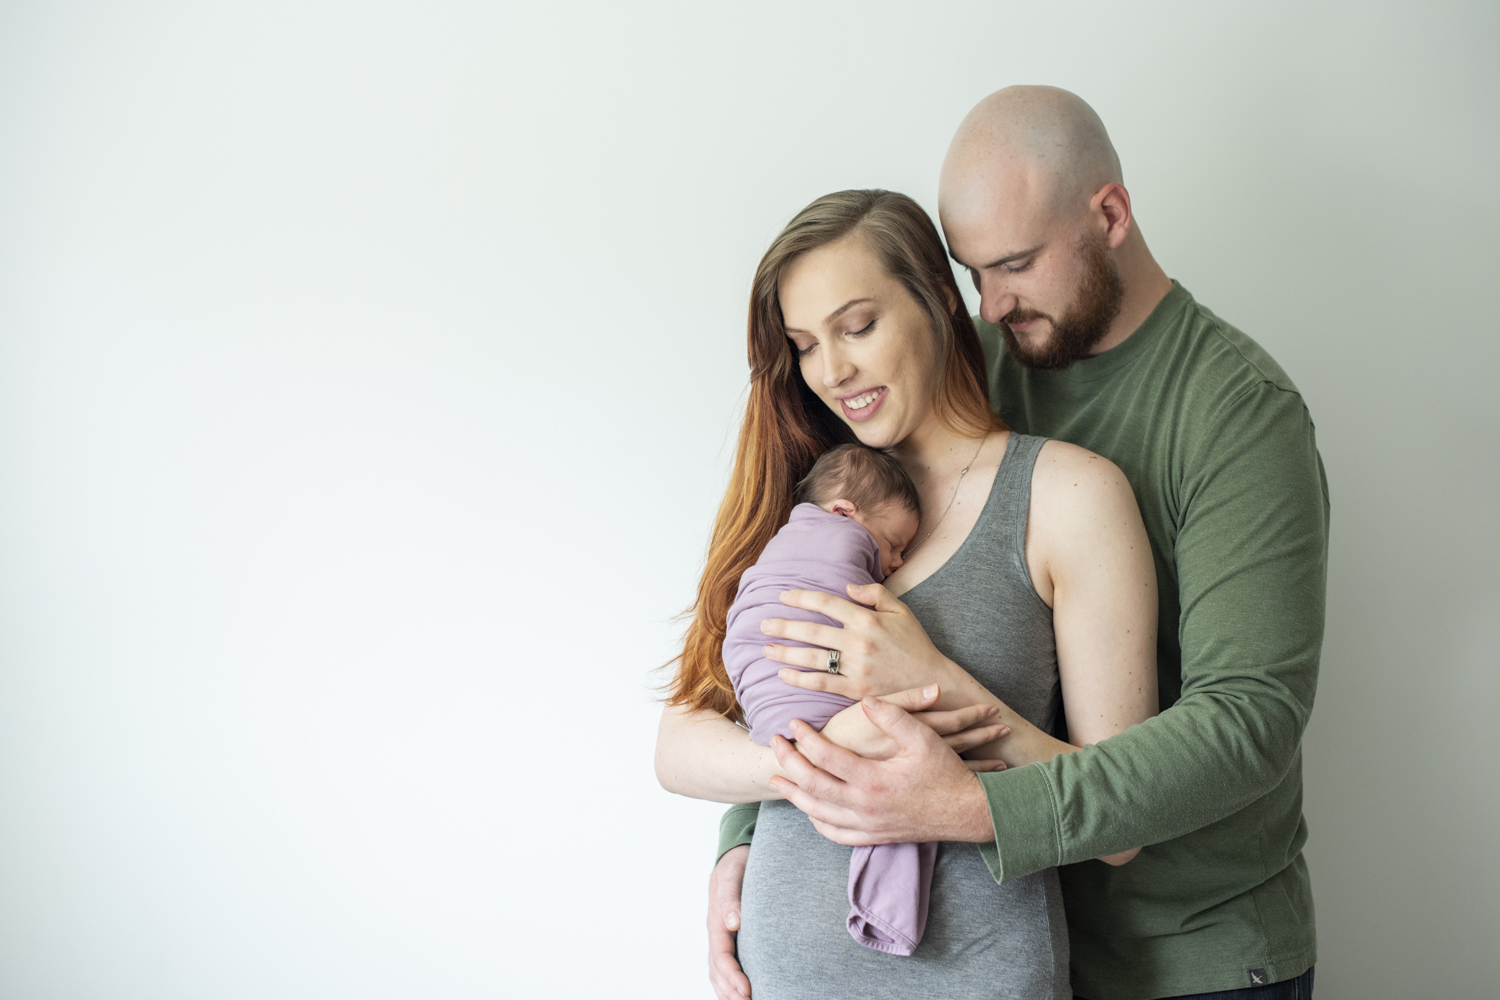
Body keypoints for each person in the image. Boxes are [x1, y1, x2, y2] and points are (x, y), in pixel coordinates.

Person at [696, 87, 1329, 1000]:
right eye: (971, 273)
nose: (991, 305)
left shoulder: (1236, 414)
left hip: (1192, 946)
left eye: (1018, 265)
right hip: (1018, 918)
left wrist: (962, 790)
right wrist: (750, 834)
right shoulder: (968, 372)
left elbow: (1246, 724)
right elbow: (799, 642)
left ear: (1109, 214)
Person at [656, 188, 1158, 999]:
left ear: (936, 299)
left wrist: (935, 681)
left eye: (858, 327)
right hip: (779, 981)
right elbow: (678, 743)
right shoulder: (807, 501)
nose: (832, 370)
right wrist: (808, 764)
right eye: (804, 344)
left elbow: (1122, 822)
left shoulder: (1067, 496)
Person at [726, 442, 936, 957]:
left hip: (758, 701)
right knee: (909, 788)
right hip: (801, 692)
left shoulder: (774, 543)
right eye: (891, 543)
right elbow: (861, 617)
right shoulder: (839, 539)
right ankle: (886, 908)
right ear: (844, 512)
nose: (895, 562)